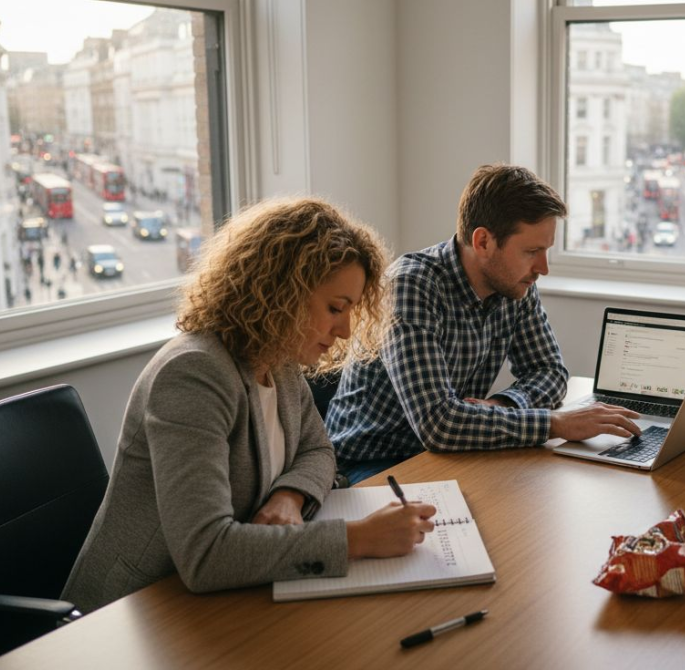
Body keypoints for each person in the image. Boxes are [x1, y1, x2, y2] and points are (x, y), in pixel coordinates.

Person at [63, 197, 436, 613]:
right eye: (335, 308)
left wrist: (289, 496)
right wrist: (360, 539)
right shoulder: (192, 374)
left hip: (223, 599)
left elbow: (318, 450)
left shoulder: (278, 360)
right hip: (133, 612)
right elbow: (205, 554)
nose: (346, 331)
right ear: (283, 292)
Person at [327, 164, 640, 485]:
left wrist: (501, 404)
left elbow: (551, 373)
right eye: (532, 251)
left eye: (545, 251)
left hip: (445, 452)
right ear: (483, 242)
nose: (542, 268)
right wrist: (556, 424)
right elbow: (440, 425)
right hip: (370, 460)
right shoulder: (410, 286)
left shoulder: (515, 283)